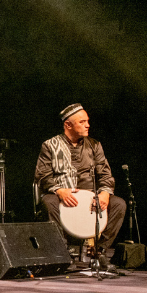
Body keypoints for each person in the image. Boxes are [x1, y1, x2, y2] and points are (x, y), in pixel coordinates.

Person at [34, 103, 127, 265]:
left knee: (119, 204)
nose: (88, 125)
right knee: (48, 203)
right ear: (68, 125)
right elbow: (42, 175)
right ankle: (61, 251)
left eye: (87, 121)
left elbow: (105, 174)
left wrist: (104, 193)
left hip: (90, 198)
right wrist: (59, 190)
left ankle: (98, 250)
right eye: (82, 122)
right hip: (63, 195)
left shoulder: (94, 145)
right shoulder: (49, 145)